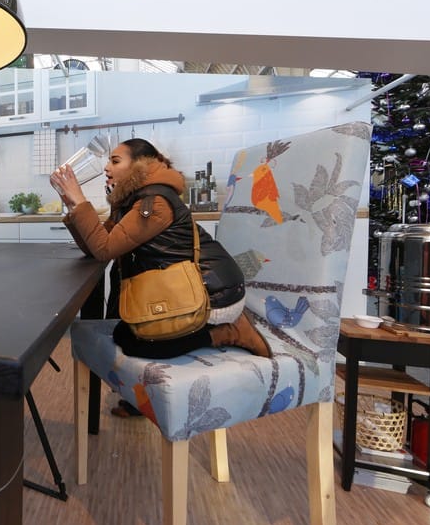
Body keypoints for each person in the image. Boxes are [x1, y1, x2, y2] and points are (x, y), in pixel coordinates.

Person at [50, 138, 269, 418]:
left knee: (134, 341)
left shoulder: (154, 202)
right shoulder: (131, 201)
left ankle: (230, 330)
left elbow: (104, 250)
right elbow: (97, 246)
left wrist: (81, 200)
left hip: (212, 293)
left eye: (115, 161)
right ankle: (140, 401)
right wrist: (72, 203)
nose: (106, 168)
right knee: (125, 331)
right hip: (181, 289)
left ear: (139, 165)